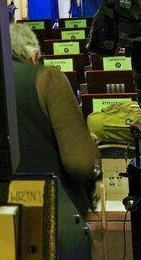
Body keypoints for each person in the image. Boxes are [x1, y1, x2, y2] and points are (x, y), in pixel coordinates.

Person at [9, 23, 100, 215]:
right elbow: (81, 164)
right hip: (49, 208)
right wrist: (88, 146)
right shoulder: (47, 78)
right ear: (34, 56)